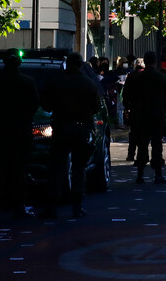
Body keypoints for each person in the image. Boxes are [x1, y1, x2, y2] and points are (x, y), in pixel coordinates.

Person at [40, 52, 102, 219]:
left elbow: (46, 105)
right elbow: (96, 107)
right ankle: (77, 206)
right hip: (81, 128)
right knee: (79, 168)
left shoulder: (56, 82)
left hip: (61, 127)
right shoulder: (89, 84)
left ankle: (52, 206)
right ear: (80, 64)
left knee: (57, 168)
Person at [0, 49, 39, 218]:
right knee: (19, 169)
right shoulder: (27, 82)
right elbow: (34, 105)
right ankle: (19, 205)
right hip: (21, 131)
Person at [128, 51, 166, 184]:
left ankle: (140, 174)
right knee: (157, 145)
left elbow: (129, 97)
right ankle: (158, 173)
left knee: (142, 145)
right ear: (154, 62)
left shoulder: (136, 78)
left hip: (141, 116)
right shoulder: (162, 78)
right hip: (157, 117)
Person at [121, 57, 145, 161]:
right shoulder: (147, 76)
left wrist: (126, 107)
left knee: (133, 132)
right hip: (146, 108)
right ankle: (142, 154)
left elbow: (125, 93)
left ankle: (131, 154)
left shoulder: (130, 76)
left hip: (133, 107)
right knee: (144, 133)